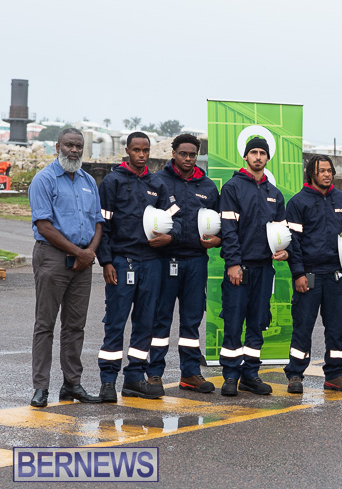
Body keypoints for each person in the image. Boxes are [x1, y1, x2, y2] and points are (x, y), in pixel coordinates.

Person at [96, 132, 180, 402]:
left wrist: (172, 236)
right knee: (116, 322)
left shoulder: (157, 184)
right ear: (127, 151)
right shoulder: (112, 182)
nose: (141, 154)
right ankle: (108, 381)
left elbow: (175, 220)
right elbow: (103, 226)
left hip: (152, 264)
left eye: (145, 150)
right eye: (136, 150)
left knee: (145, 323)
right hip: (122, 262)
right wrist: (106, 261)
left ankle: (134, 378)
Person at [27, 128, 104, 407]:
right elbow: (44, 226)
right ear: (57, 146)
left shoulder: (88, 181)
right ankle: (41, 388)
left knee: (75, 326)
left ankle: (72, 384)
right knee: (45, 325)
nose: (74, 150)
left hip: (82, 262)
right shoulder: (44, 180)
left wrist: (89, 252)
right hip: (53, 258)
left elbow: (97, 222)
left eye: (79, 146)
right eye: (69, 145)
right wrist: (79, 253)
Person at [284, 154, 342, 394]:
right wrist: (298, 273)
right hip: (308, 274)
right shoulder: (298, 203)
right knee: (303, 326)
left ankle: (335, 375)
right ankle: (295, 374)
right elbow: (293, 243)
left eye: (330, 170)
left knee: (336, 328)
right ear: (311, 173)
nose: (327, 174)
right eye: (322, 171)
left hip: (335, 276)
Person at [147, 134, 220, 394]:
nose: (188, 159)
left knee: (191, 321)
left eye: (192, 155)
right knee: (160, 319)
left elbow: (221, 223)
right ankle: (154, 373)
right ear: (173, 153)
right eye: (183, 154)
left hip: (196, 261)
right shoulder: (157, 181)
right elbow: (146, 218)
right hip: (165, 260)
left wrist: (218, 240)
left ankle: (190, 374)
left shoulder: (208, 186)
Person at [218, 137, 289, 397]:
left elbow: (282, 232)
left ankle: (251, 375)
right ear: (245, 157)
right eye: (253, 152)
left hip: (264, 270)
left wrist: (285, 250)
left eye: (262, 153)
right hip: (240, 268)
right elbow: (228, 231)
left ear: (268, 158)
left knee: (258, 322)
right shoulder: (233, 188)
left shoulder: (275, 193)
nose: (258, 157)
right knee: (234, 322)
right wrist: (234, 263)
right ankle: (230, 376)